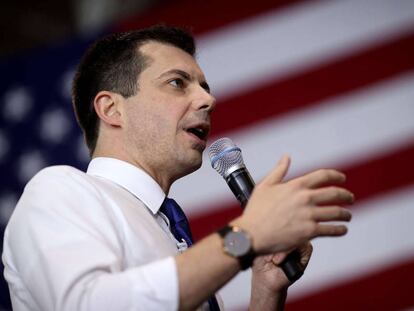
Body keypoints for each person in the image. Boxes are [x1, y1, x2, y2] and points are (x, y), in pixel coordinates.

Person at [2, 25, 353, 311]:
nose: (208, 100)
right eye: (177, 83)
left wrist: (265, 290)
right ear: (111, 109)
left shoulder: (172, 231)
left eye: (204, 86)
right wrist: (247, 236)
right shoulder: (59, 190)